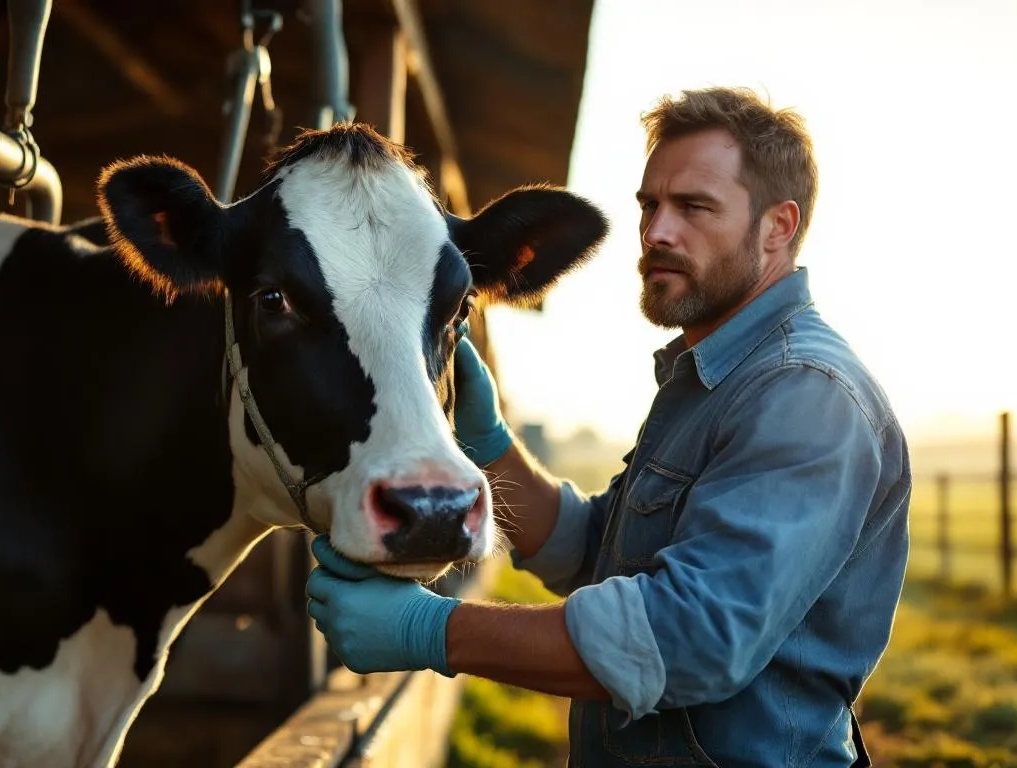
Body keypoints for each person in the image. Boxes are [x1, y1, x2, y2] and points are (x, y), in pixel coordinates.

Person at [304, 86, 911, 767]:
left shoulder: (804, 394)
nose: (657, 234)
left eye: (694, 207)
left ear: (778, 226)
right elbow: (600, 555)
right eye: (650, 206)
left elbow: (688, 638)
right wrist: (490, 445)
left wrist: (430, 630)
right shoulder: (711, 378)